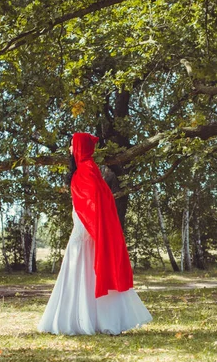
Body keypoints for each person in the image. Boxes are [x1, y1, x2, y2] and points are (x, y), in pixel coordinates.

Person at [38, 132, 152, 335]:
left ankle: (91, 320)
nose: (70, 150)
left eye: (73, 145)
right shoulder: (84, 170)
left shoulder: (88, 170)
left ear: (80, 148)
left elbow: (95, 203)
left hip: (86, 229)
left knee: (86, 269)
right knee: (83, 270)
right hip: (85, 227)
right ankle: (82, 318)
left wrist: (90, 229)